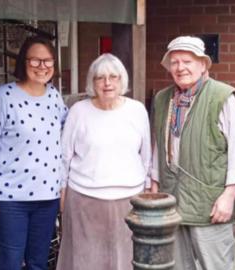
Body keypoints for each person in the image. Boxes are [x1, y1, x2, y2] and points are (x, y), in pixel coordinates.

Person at [150, 36, 235, 270]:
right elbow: (159, 148)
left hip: (210, 204)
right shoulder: (163, 98)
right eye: (174, 62)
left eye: (187, 61)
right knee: (175, 266)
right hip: (171, 200)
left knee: (214, 266)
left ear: (203, 65)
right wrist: (154, 186)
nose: (180, 67)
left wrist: (229, 196)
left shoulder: (221, 97)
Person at [0, 36, 68, 270]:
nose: (42, 67)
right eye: (35, 60)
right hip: (11, 200)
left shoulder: (54, 96)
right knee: (10, 264)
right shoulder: (4, 96)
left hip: (47, 198)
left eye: (48, 61)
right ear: (23, 63)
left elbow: (71, 132)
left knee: (38, 263)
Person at [56, 53, 151, 270]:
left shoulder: (136, 110)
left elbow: (146, 156)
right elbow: (64, 156)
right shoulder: (79, 111)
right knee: (85, 260)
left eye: (113, 77)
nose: (107, 83)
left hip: (130, 201)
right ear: (92, 82)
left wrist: (147, 187)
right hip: (84, 199)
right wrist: (62, 191)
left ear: (122, 80)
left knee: (126, 260)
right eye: (100, 78)